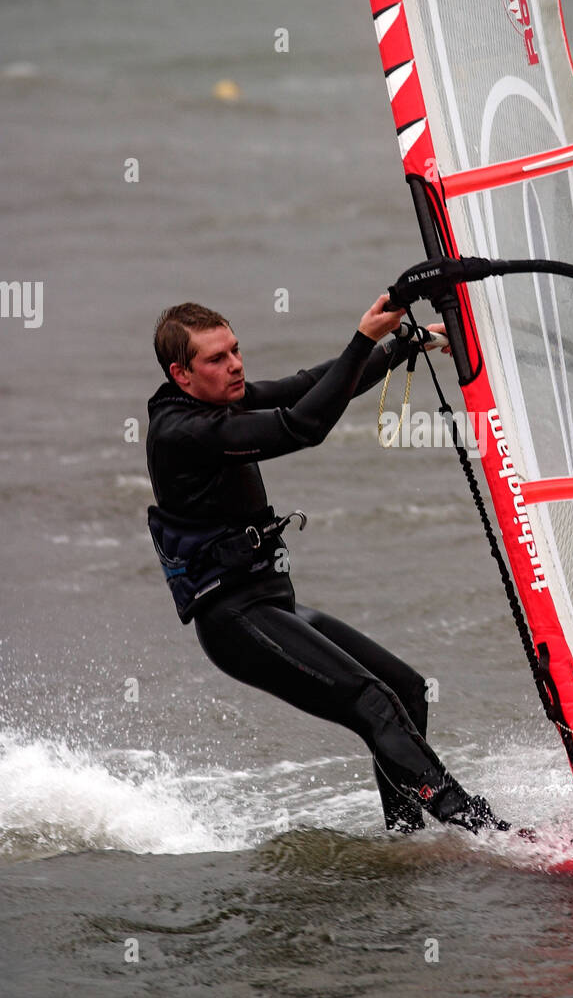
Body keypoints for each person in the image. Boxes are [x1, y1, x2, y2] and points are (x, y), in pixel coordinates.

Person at [145, 298, 508, 836]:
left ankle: (404, 839)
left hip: (271, 603)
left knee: (404, 689)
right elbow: (302, 426)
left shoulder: (217, 403)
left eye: (236, 349)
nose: (236, 365)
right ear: (181, 374)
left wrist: (405, 343)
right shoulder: (184, 433)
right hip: (234, 620)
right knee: (371, 701)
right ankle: (481, 827)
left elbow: (302, 386)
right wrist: (362, 340)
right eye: (217, 359)